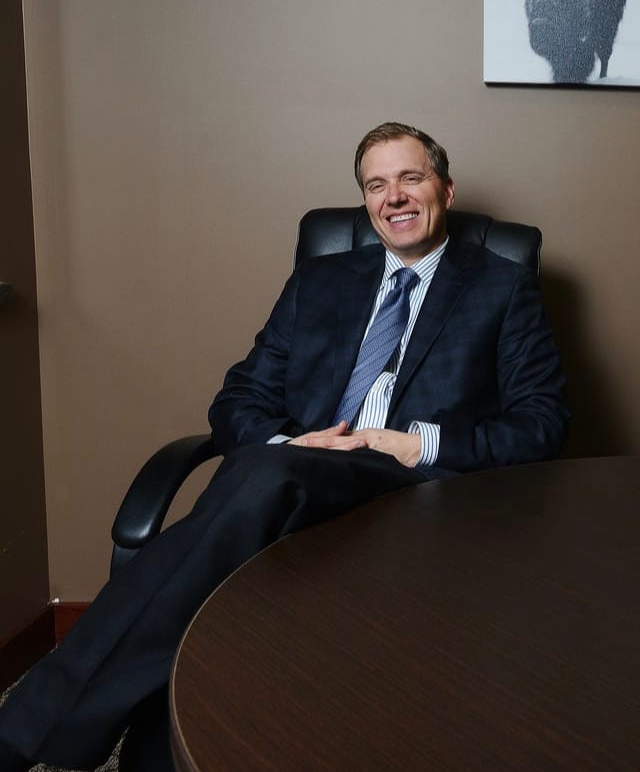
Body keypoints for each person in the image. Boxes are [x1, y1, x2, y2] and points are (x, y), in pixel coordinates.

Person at [0, 122, 570, 772]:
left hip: (414, 488)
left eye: (410, 178)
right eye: (375, 185)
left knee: (255, 487)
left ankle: (29, 728)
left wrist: (416, 443)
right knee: (259, 485)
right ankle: (151, 744)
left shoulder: (501, 285)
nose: (394, 197)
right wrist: (286, 441)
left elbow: (542, 422)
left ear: (444, 186)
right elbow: (238, 398)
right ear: (364, 202)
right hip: (292, 476)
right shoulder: (320, 281)